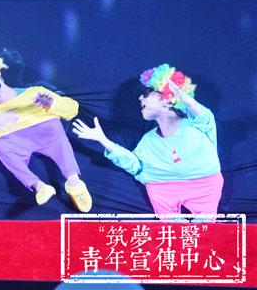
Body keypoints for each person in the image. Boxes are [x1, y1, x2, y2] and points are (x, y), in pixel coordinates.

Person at [73, 64, 222, 221]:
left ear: (168, 97)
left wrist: (188, 101)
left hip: (205, 184)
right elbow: (135, 165)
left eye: (146, 92)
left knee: (206, 227)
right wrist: (103, 140)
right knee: (174, 229)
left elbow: (205, 118)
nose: (140, 98)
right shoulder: (148, 141)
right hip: (163, 188)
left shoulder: (196, 125)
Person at [0, 48, 92, 211]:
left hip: (47, 135)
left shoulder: (35, 93)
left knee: (54, 125)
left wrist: (51, 104)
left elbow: (72, 110)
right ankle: (39, 186)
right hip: (14, 145)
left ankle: (73, 182)